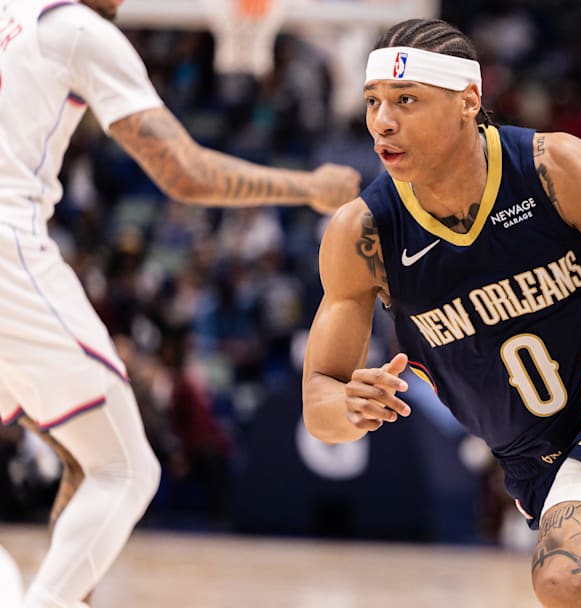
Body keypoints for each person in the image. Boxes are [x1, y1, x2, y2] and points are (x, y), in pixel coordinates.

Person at [303, 18, 581, 607]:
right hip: (532, 468)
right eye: (373, 102)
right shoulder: (363, 234)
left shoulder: (552, 167)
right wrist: (349, 406)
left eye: (406, 101)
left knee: (565, 580)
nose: (382, 122)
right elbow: (319, 401)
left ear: (468, 102)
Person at [0, 1, 360, 606]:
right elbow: (185, 173)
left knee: (85, 457)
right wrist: (309, 188)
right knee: (126, 470)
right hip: (9, 245)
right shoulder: (79, 30)